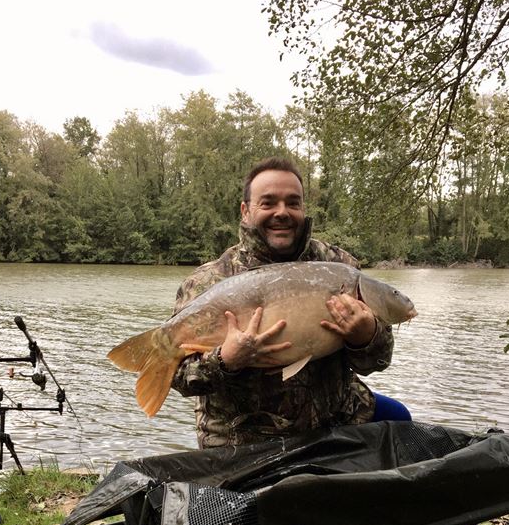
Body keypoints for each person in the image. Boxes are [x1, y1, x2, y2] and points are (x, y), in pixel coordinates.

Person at [171, 157, 410, 448]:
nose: (282, 212)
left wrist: (366, 338)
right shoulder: (208, 281)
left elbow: (378, 362)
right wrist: (225, 361)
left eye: (293, 203)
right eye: (268, 203)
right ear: (246, 211)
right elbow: (180, 378)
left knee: (399, 418)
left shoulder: (338, 265)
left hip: (334, 420)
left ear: (303, 208)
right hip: (244, 438)